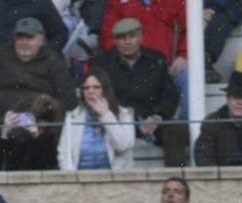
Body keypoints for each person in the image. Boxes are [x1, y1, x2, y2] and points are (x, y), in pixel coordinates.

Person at [0, 17, 76, 171]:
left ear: (41, 39)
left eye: (30, 37)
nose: (24, 42)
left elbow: (68, 99)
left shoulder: (54, 61)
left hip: (39, 124)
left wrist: (43, 119)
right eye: (20, 37)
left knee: (41, 139)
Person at [92, 16, 188, 168]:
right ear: (115, 41)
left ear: (140, 37)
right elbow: (97, 97)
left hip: (152, 120)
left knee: (174, 129)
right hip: (118, 120)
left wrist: (157, 117)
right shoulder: (101, 64)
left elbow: (170, 94)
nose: (128, 41)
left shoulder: (157, 59)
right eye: (122, 38)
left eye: (132, 36)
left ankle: (176, 180)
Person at [98, 0, 188, 125]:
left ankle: (187, 130)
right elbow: (109, 36)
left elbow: (191, 28)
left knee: (188, 79)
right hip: (133, 64)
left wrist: (184, 55)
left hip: (167, 66)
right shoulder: (118, 2)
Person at [57, 66, 136, 171]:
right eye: (86, 88)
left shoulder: (124, 114)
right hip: (79, 180)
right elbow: (64, 153)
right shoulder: (72, 116)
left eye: (96, 87)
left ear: (106, 89)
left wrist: (106, 114)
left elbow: (123, 145)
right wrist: (73, 179)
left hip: (115, 179)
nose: (90, 91)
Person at [194, 70, 242, 166]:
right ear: (227, 99)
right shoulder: (211, 123)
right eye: (236, 97)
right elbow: (204, 159)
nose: (241, 102)